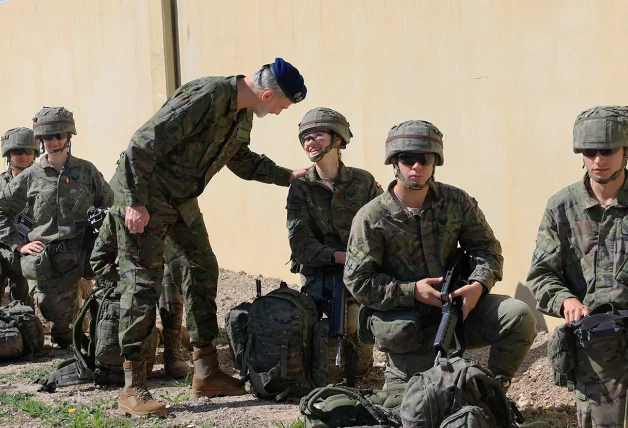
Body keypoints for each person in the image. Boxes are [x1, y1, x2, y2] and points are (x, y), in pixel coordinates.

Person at [109, 57, 308, 417]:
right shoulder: (208, 95)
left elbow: (240, 160)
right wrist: (135, 203)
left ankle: (205, 370)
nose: (280, 113)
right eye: (282, 106)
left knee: (203, 267)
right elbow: (141, 144)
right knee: (142, 282)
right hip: (145, 196)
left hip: (180, 199)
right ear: (266, 95)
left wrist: (287, 176)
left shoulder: (242, 112)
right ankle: (133, 387)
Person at [344, 119, 537, 388]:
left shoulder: (456, 202)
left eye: (425, 158)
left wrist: (478, 285)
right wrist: (412, 291)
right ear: (394, 162)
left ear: (435, 162)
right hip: (408, 328)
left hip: (458, 311)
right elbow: (359, 283)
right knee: (416, 408)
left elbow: (487, 249)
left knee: (518, 315)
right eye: (407, 158)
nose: (416, 166)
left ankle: (492, 390)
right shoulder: (372, 217)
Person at [527, 106, 628, 427]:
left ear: (625, 150)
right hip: (598, 344)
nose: (599, 159)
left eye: (608, 150)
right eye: (589, 151)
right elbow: (541, 275)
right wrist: (566, 300)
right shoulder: (562, 207)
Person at [0, 107, 113, 347]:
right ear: (40, 141)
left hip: (87, 254)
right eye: (47, 137)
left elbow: (111, 207)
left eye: (58, 136)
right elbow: (2, 209)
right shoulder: (30, 176)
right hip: (52, 261)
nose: (53, 142)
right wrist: (18, 244)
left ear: (68, 137)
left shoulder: (87, 171)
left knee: (112, 308)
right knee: (63, 334)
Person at [286, 107, 380, 382]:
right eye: (305, 138)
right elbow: (301, 245)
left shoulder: (363, 181)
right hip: (322, 271)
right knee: (332, 328)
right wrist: (338, 257)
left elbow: (384, 226)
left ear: (337, 140)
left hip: (362, 269)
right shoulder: (301, 188)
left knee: (362, 338)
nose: (310, 143)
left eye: (317, 135)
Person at [90, 210, 193, 379]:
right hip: (127, 289)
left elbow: (185, 257)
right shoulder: (118, 213)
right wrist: (126, 273)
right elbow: (97, 262)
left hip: (157, 282)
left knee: (169, 274)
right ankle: (149, 345)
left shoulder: (167, 211)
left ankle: (173, 351)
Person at [0, 127, 39, 306]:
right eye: (17, 151)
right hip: (5, 247)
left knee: (23, 307)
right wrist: (17, 244)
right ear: (8, 154)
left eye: (28, 151)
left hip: (32, 251)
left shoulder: (44, 182)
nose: (23, 155)